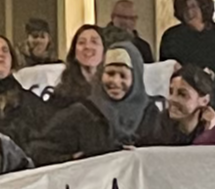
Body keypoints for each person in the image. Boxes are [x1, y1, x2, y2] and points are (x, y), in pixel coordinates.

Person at [31, 45, 165, 165]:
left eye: (123, 75)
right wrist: (73, 160)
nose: (115, 81)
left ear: (135, 79)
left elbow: (162, 158)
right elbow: (39, 150)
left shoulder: (149, 114)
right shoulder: (82, 113)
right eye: (110, 73)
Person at [137, 64, 215, 147]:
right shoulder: (153, 129)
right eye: (171, 92)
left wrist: (210, 132)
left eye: (182, 94)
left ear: (204, 100)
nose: (171, 99)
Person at [161, 0, 215, 74]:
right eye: (185, 8)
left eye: (193, 7)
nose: (189, 12)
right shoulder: (172, 36)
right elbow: (166, 68)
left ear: (203, 8)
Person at [51, 25, 108, 109]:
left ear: (104, 51)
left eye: (94, 42)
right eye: (81, 42)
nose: (87, 47)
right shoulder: (62, 92)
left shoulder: (111, 88)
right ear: (74, 53)